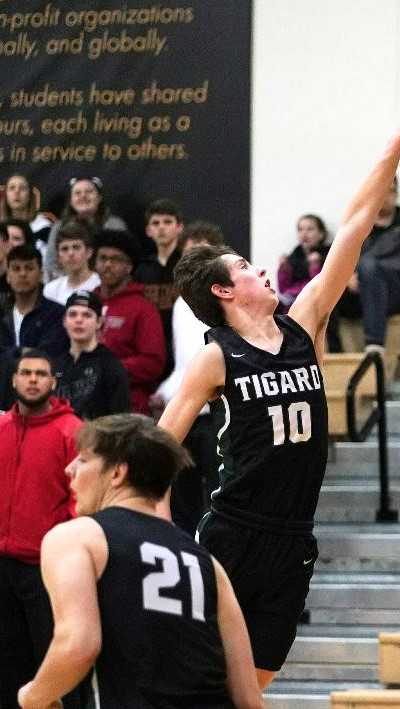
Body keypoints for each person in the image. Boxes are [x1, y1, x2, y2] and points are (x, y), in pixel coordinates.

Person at [158, 76, 400, 689]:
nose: (261, 269)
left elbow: (355, 226)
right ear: (224, 291)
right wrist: (143, 519)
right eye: (245, 267)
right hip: (233, 530)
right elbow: (160, 445)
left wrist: (395, 143)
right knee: (202, 682)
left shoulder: (304, 322)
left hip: (294, 535)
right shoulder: (216, 357)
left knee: (255, 683)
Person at [16, 413, 264, 709]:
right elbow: (250, 700)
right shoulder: (208, 564)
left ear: (117, 473)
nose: (70, 469)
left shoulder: (78, 537)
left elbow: (78, 644)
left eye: (82, 460)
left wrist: (33, 696)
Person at [0, 349, 84, 709]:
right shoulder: (1, 429)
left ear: (52, 382)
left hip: (47, 569)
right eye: (26, 373)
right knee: (7, 666)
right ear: (13, 380)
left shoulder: (72, 431)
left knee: (57, 667)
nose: (32, 379)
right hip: (3, 566)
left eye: (40, 374)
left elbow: (82, 501)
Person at [151, 221, 226, 536]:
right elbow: (185, 361)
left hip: (218, 412)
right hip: (186, 410)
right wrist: (166, 389)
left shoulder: (227, 297)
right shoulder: (182, 302)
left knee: (220, 491)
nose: (195, 259)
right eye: (189, 252)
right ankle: (184, 549)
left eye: (203, 252)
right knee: (182, 492)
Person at [325, 174, 400, 353]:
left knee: (369, 266)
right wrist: (348, 277)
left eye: (389, 191)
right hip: (356, 294)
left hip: (394, 294)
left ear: (396, 194)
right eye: (379, 191)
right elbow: (340, 258)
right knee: (326, 281)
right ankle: (333, 353)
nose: (384, 196)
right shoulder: (358, 227)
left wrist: (369, 273)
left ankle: (375, 344)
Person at [93, 229, 166, 414]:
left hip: (128, 406)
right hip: (88, 403)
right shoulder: (86, 303)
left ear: (129, 267)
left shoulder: (143, 308)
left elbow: (153, 362)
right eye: (102, 258)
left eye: (115, 259)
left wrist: (109, 369)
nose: (107, 264)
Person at [52, 290, 130, 420]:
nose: (79, 320)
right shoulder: (55, 364)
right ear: (64, 321)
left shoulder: (111, 366)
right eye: (73, 314)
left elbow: (121, 419)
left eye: (87, 315)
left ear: (99, 322)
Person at [136, 199, 185, 372]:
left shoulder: (188, 265)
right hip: (152, 346)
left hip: (183, 341)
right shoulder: (141, 269)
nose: (161, 227)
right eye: (156, 223)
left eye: (167, 222)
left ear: (179, 227)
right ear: (148, 231)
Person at [46, 176, 127, 278]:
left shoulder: (115, 226)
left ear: (99, 198)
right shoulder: (58, 227)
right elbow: (50, 264)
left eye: (89, 192)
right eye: (77, 193)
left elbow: (122, 260)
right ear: (71, 200)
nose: (83, 196)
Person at [0, 244, 69, 363]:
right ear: (8, 277)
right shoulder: (2, 312)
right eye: (16, 268)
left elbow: (48, 355)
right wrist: (22, 352)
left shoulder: (56, 314)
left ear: (41, 275)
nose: (22, 274)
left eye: (29, 268)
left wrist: (11, 353)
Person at [278, 213, 330, 307]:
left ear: (321, 234)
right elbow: (283, 289)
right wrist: (283, 269)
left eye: (310, 229)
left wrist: (315, 266)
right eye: (300, 229)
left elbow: (321, 289)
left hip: (316, 303)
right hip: (293, 302)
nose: (304, 234)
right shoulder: (294, 256)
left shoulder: (329, 255)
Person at [42, 221, 100, 305]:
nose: (70, 253)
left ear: (89, 252)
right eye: (65, 249)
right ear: (58, 257)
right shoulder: (50, 290)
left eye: (76, 247)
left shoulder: (100, 286)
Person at [0, 173, 56, 254]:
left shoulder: (43, 226)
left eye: (22, 188)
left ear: (30, 196)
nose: (17, 191)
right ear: (6, 196)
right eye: (12, 188)